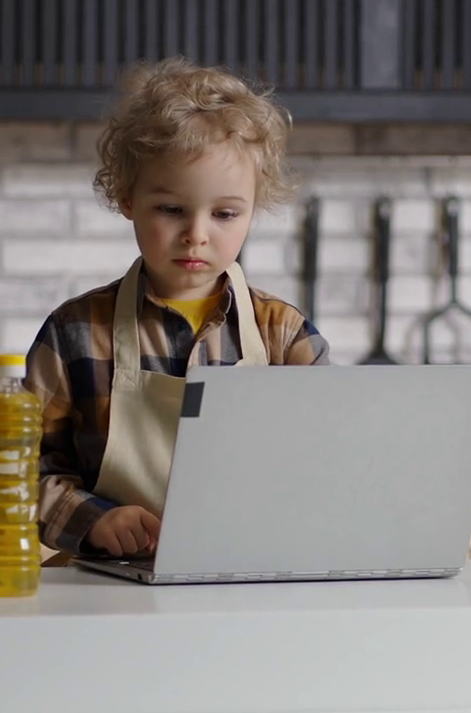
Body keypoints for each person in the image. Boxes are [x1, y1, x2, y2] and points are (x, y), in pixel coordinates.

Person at [23, 58, 329, 558]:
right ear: (127, 198)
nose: (196, 234)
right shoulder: (74, 333)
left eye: (225, 213)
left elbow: (328, 468)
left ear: (253, 209)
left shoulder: (285, 335)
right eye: (171, 210)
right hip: (107, 585)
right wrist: (95, 521)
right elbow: (21, 474)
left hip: (247, 578)